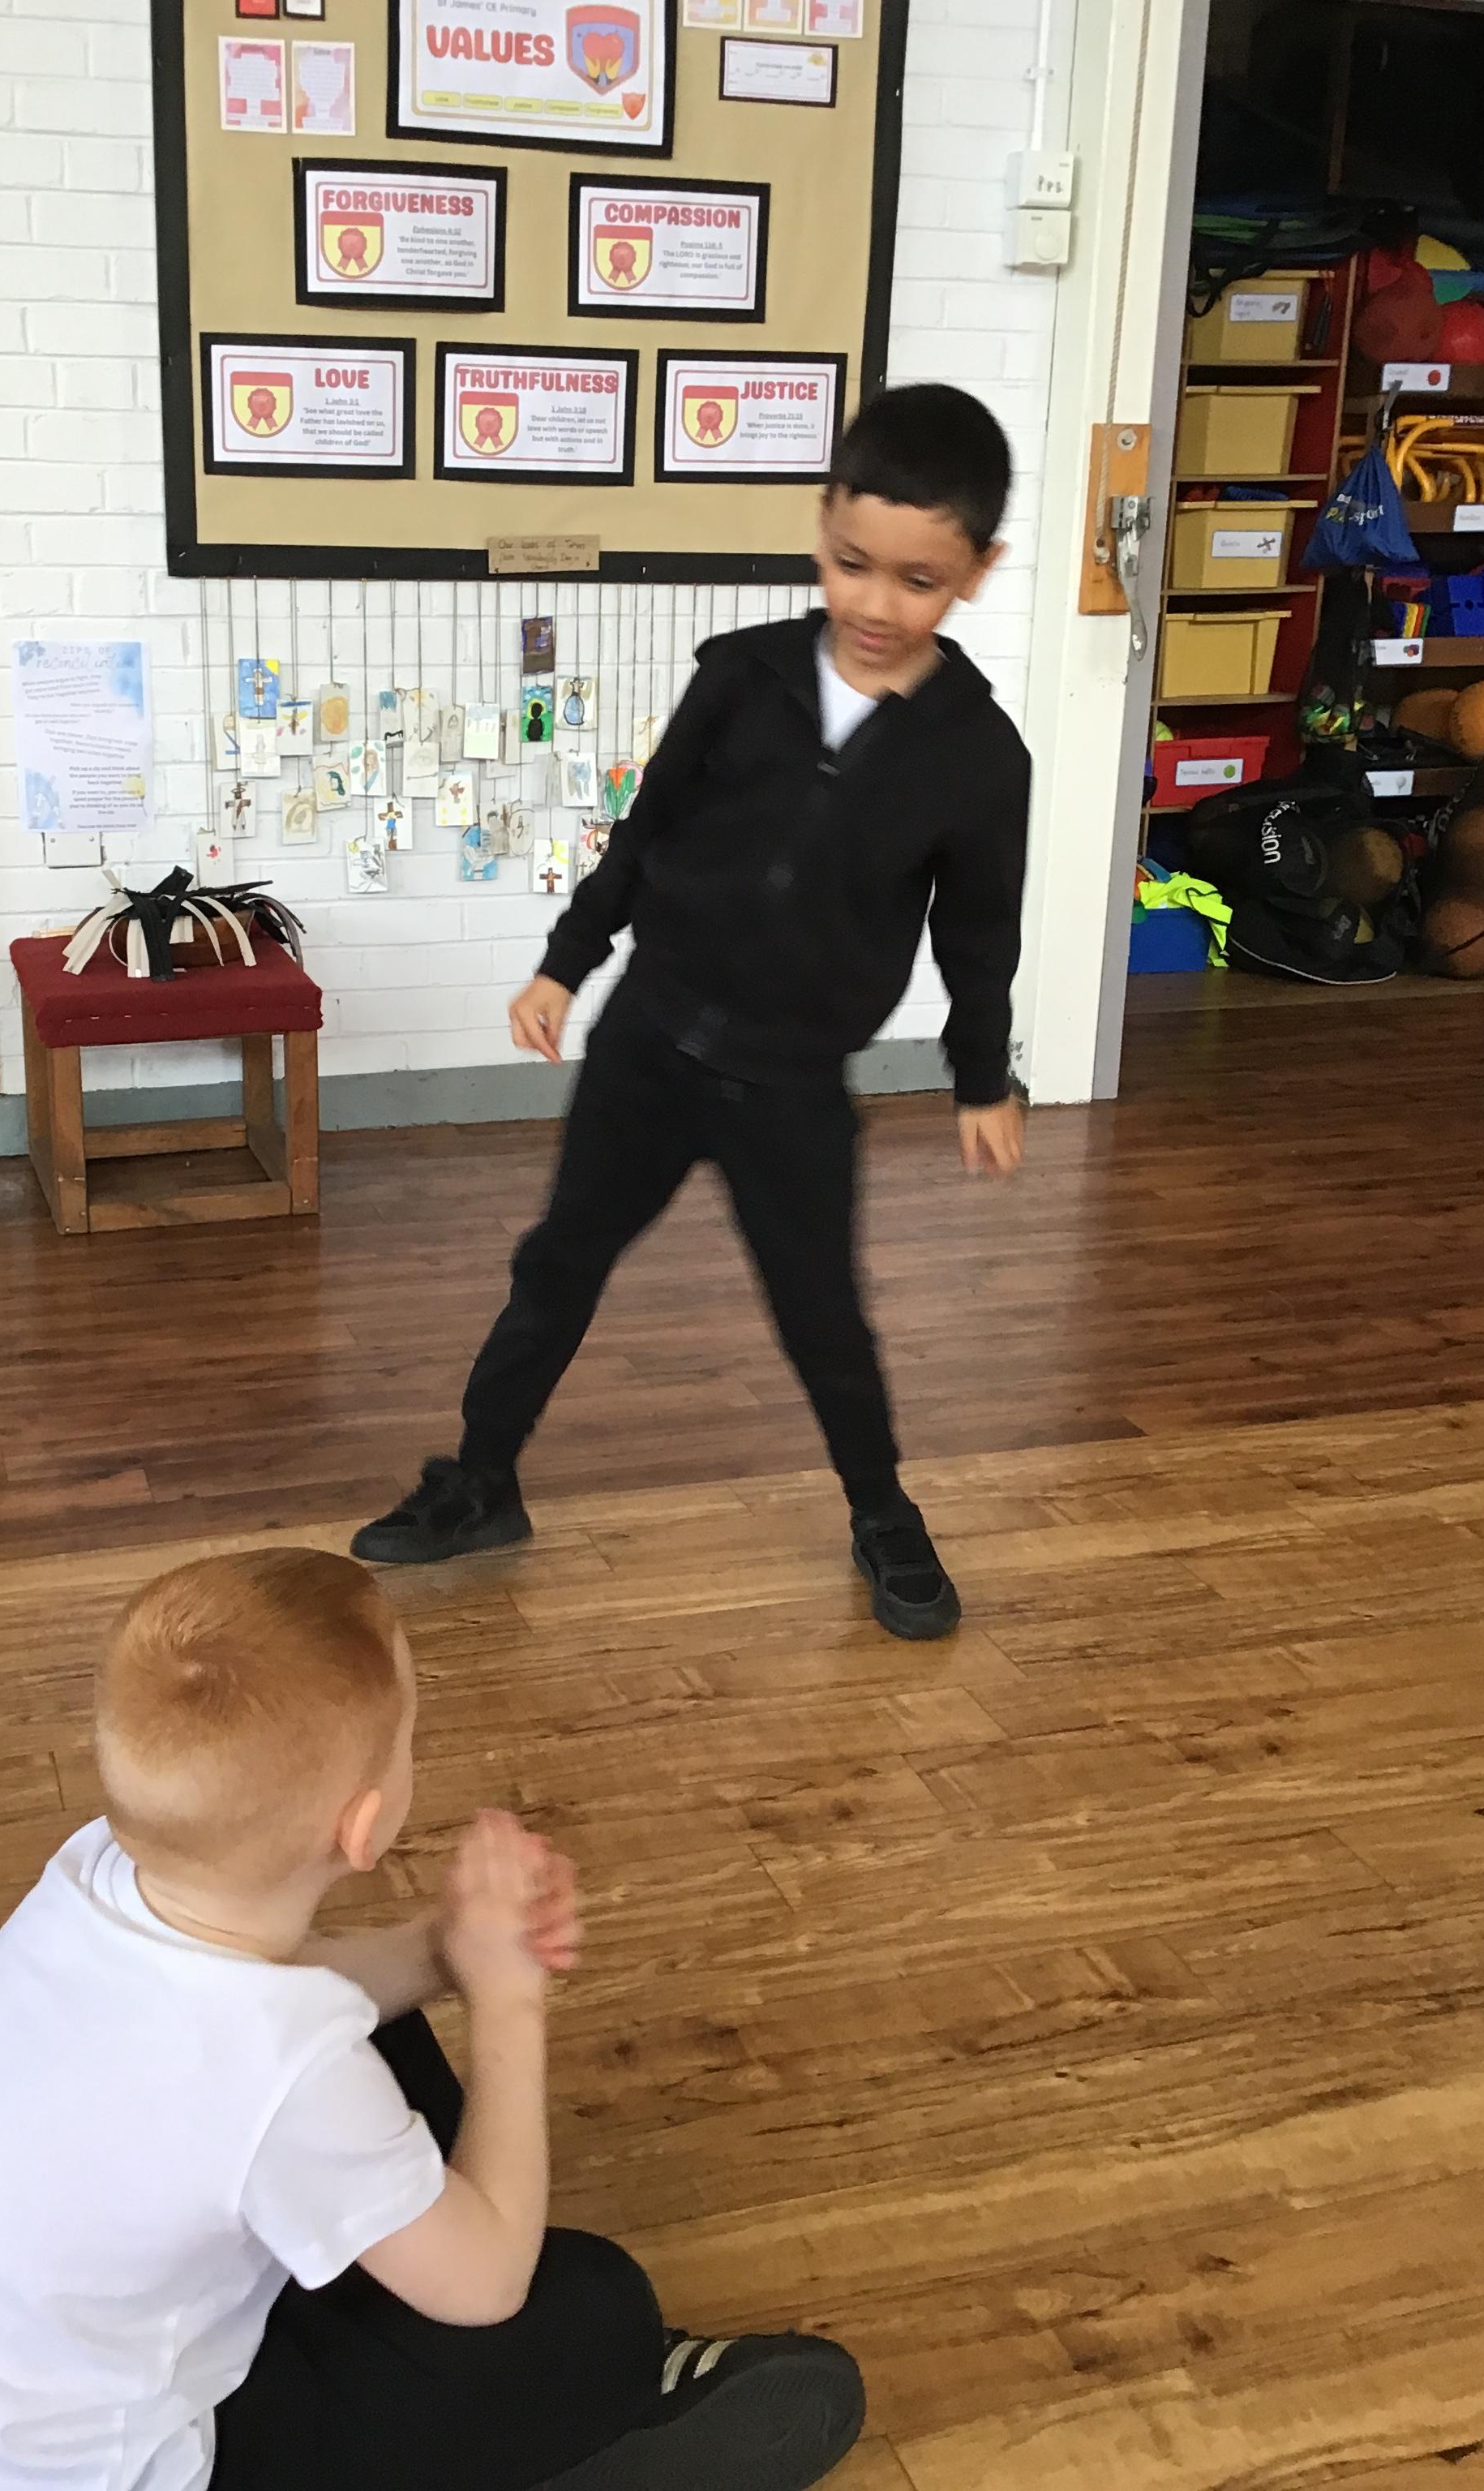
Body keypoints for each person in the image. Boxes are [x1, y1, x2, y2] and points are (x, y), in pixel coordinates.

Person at [0, 1549, 864, 2491]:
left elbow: (291, 2005)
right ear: (363, 1826)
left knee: (370, 2028)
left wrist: (446, 1947)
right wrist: (508, 2001)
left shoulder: (96, 1873)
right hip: (103, 2472)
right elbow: (487, 2283)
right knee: (594, 2308)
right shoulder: (278, 2066)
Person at [354, 384, 1030, 1641]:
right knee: (558, 1263)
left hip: (792, 1084)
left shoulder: (980, 758)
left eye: (920, 582)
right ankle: (481, 1481)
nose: (877, 605)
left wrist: (981, 1079)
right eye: (852, 564)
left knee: (821, 1314)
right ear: (822, 528)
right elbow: (647, 827)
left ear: (976, 573)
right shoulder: (742, 677)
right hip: (648, 1043)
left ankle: (882, 1512)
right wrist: (566, 961)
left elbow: (979, 934)